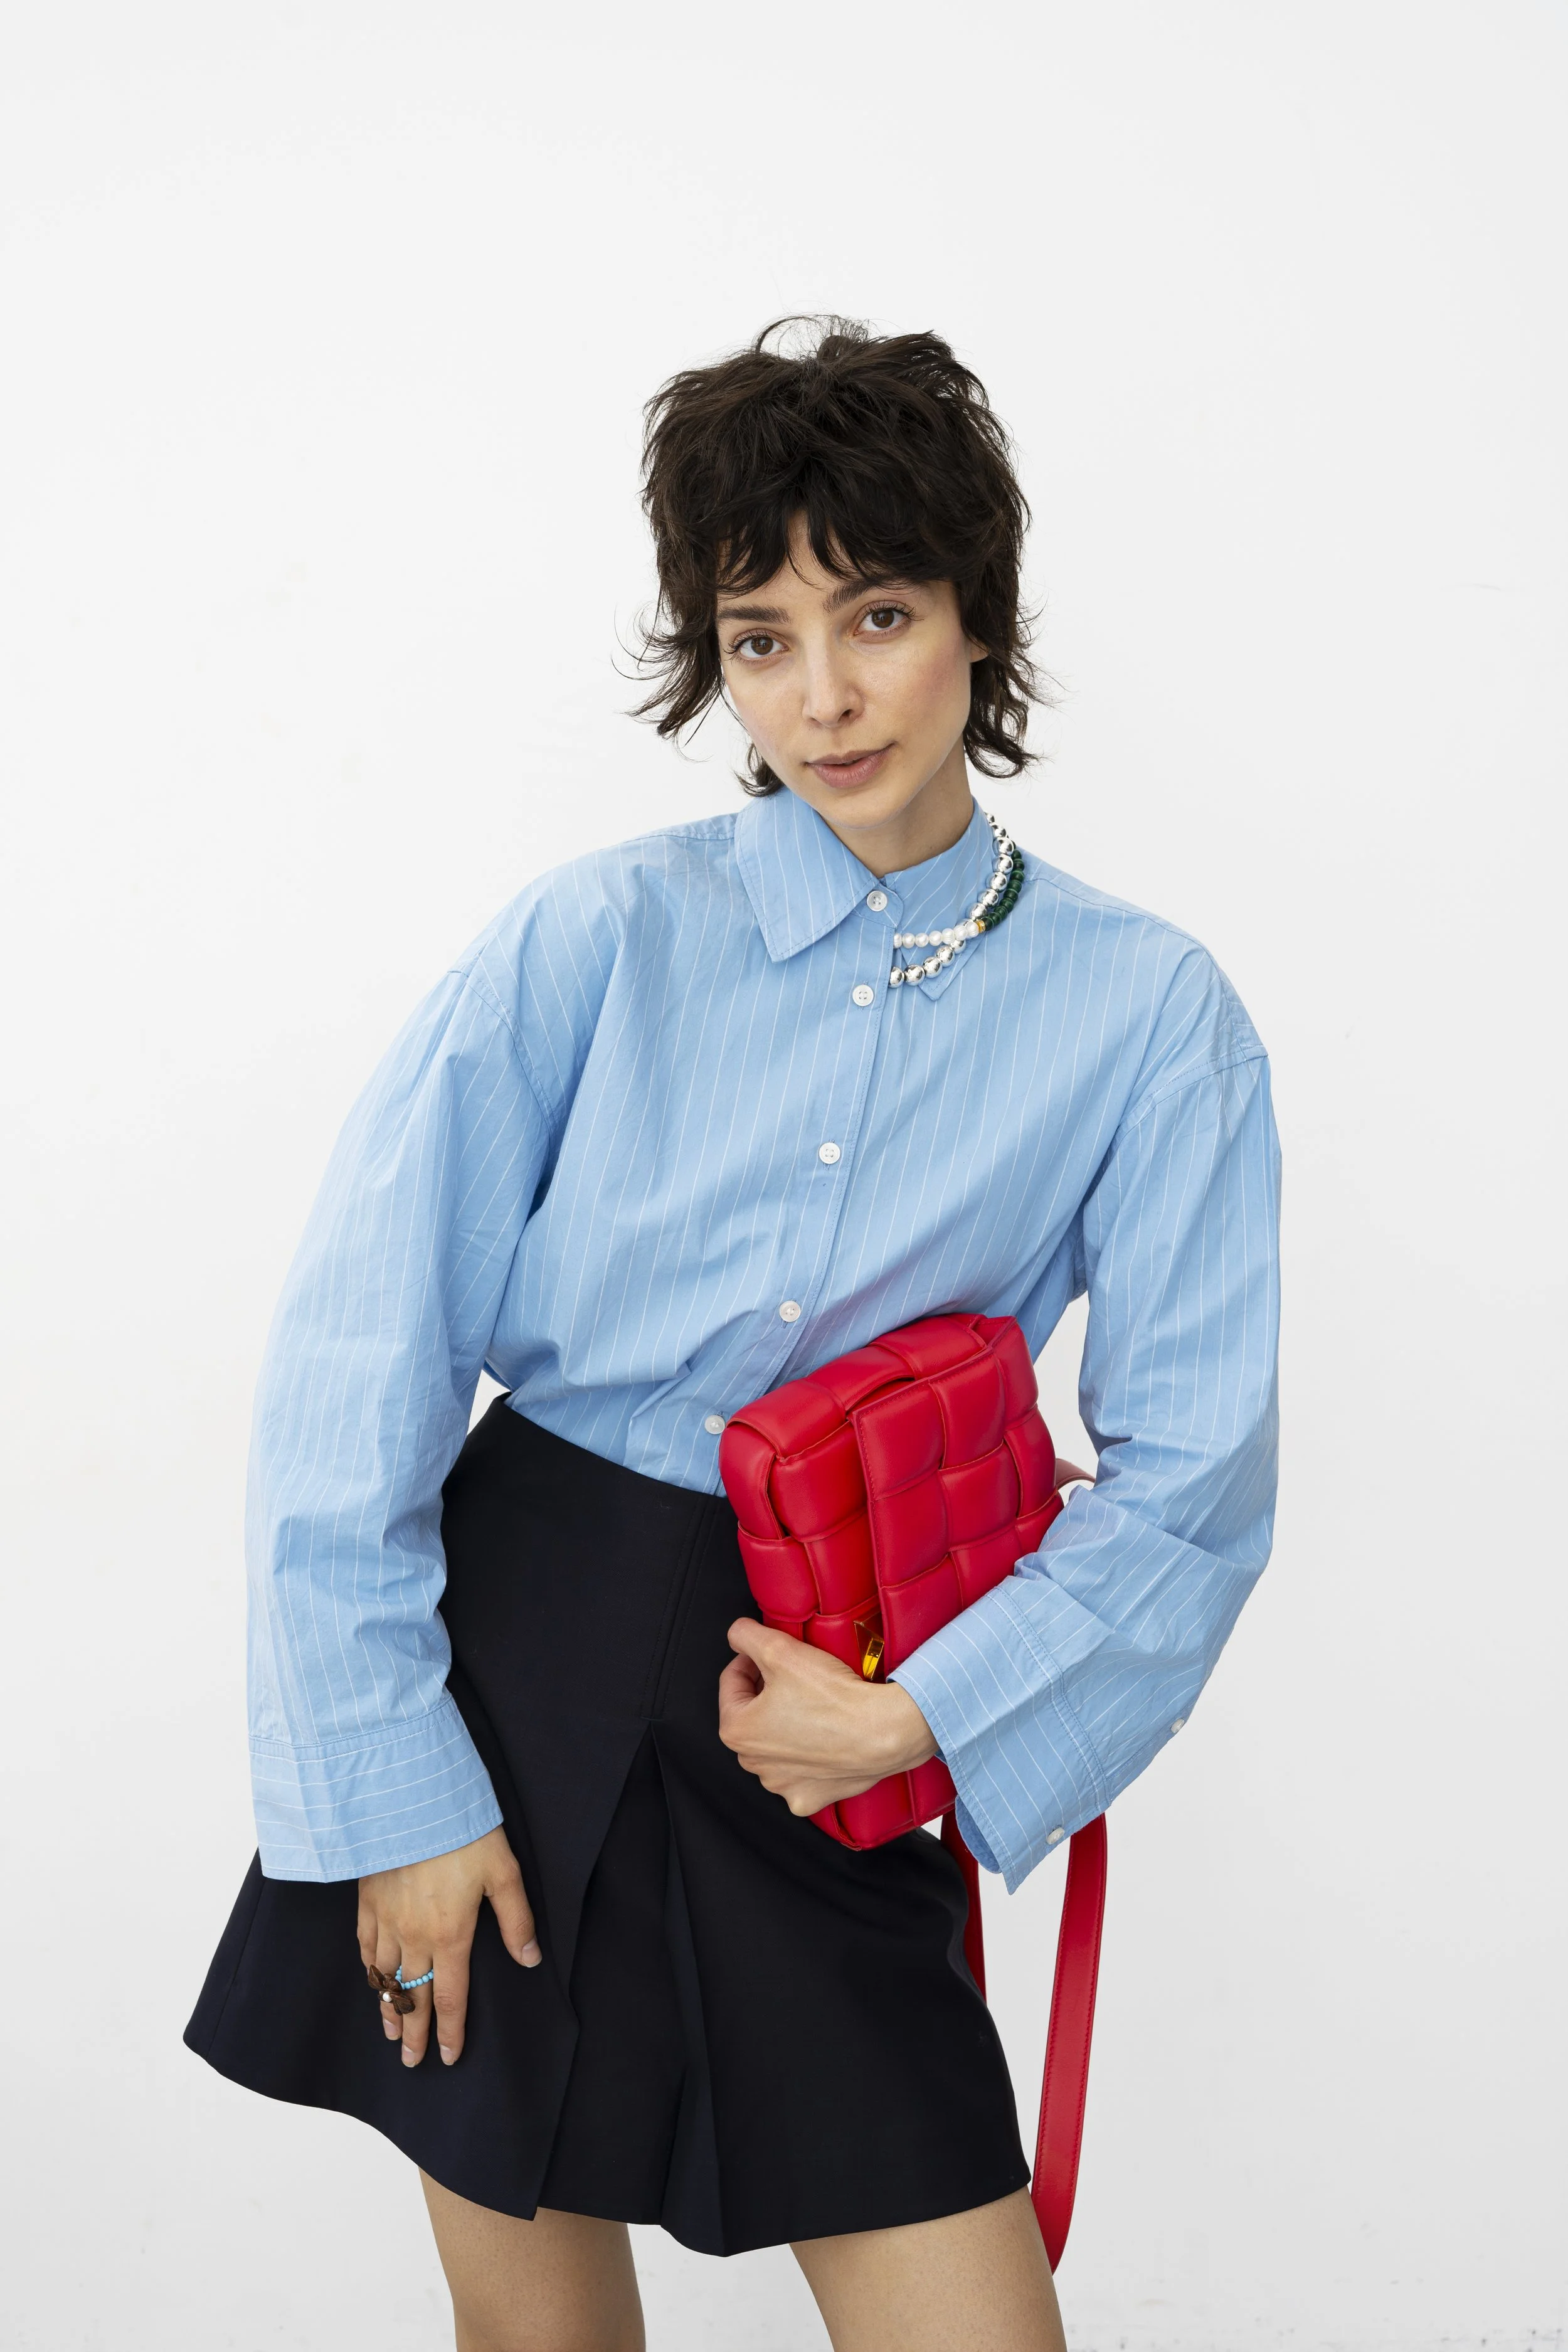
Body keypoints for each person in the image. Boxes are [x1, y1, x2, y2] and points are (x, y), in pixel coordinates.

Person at [186, 318, 1281, 2352]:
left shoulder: (1149, 1015)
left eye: (877, 615)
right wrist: (396, 1791)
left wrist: (928, 1714)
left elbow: (1196, 1478)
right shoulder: (594, 935)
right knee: (540, 2340)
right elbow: (355, 1371)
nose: (821, 695)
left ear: (977, 618)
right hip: (509, 1677)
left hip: (824, 1702)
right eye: (759, 636)